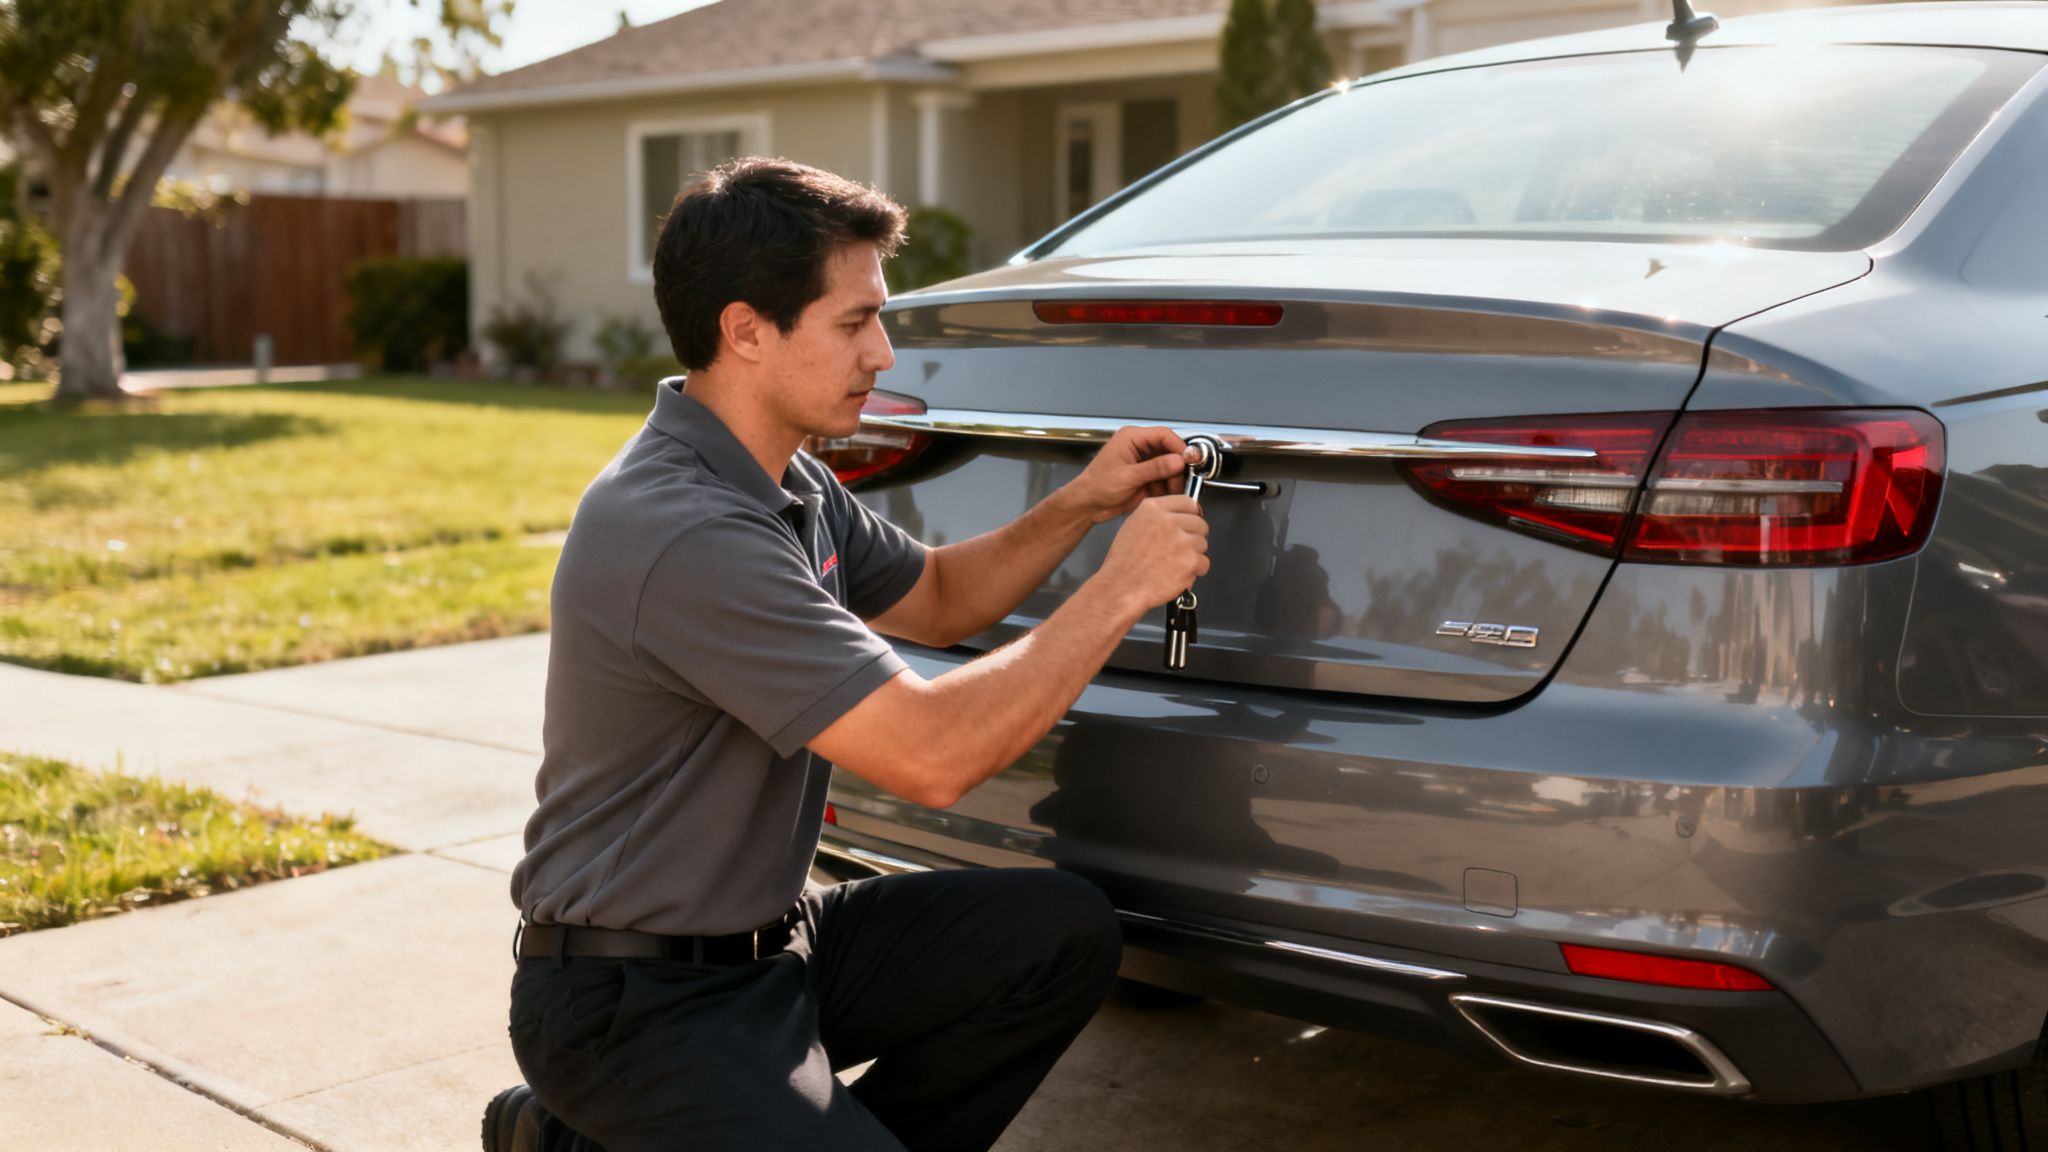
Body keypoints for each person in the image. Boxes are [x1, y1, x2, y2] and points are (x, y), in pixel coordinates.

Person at [483, 156, 1209, 1152]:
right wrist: (1120, 587)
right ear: (745, 330)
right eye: (853, 322)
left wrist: (1082, 503)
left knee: (1056, 933)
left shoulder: (784, 481)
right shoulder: (682, 527)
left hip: (770, 954)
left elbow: (942, 598)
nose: (883, 353)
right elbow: (931, 755)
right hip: (631, 1000)